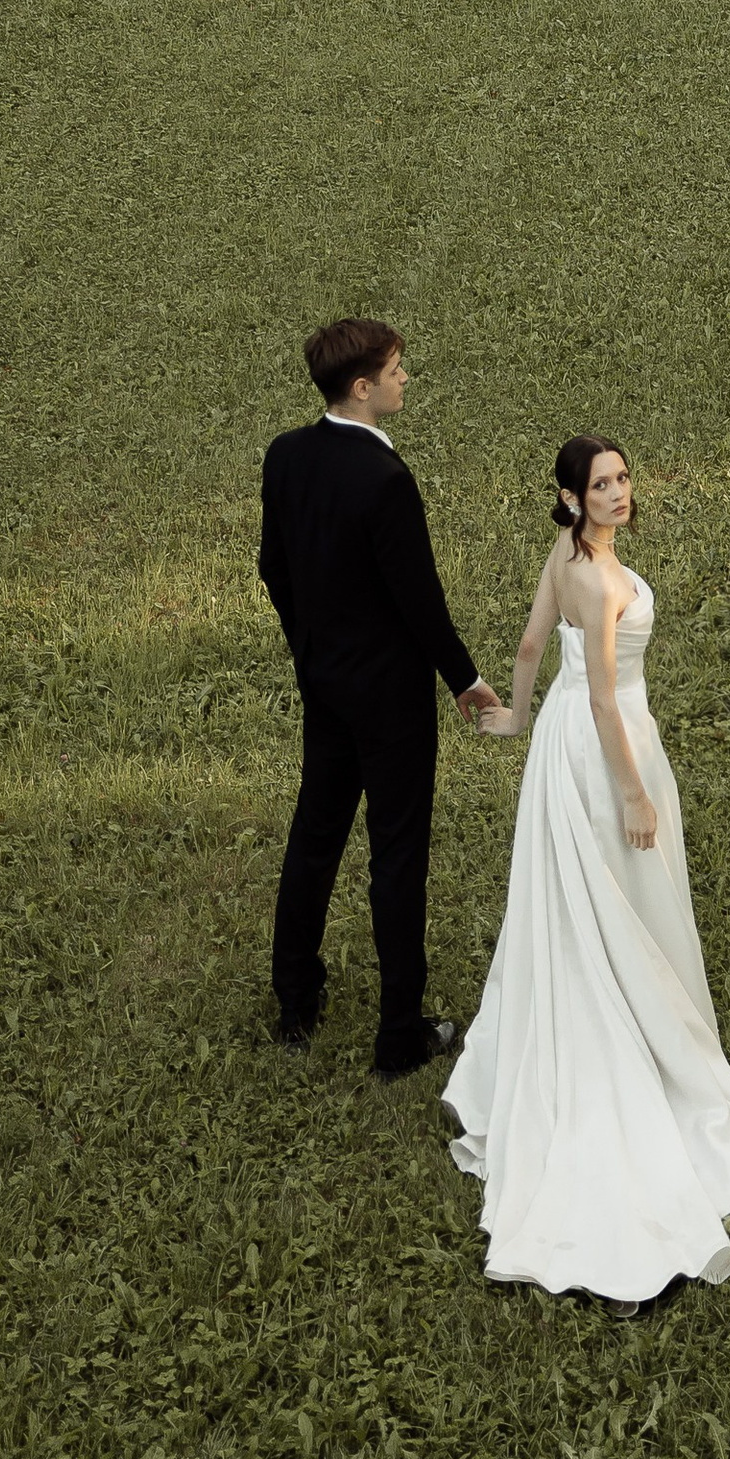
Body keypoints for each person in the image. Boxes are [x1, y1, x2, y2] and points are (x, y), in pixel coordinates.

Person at [445, 436, 730, 1299]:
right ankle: (640, 1039)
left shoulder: (563, 559)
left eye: (623, 479)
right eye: (601, 485)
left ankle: (608, 999)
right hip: (609, 749)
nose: (618, 494)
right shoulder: (601, 580)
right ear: (569, 498)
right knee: (631, 897)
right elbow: (606, 697)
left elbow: (531, 645)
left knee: (584, 901)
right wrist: (636, 795)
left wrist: (516, 722)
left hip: (560, 744)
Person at [258, 318, 501, 1077]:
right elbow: (417, 600)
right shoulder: (386, 482)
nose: (404, 380)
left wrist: (308, 654)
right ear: (361, 387)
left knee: (315, 837)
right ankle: (400, 1034)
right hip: (391, 701)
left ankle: (295, 1001)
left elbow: (273, 568)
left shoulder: (287, 455)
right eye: (396, 370)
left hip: (325, 686)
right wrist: (465, 679)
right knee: (397, 855)